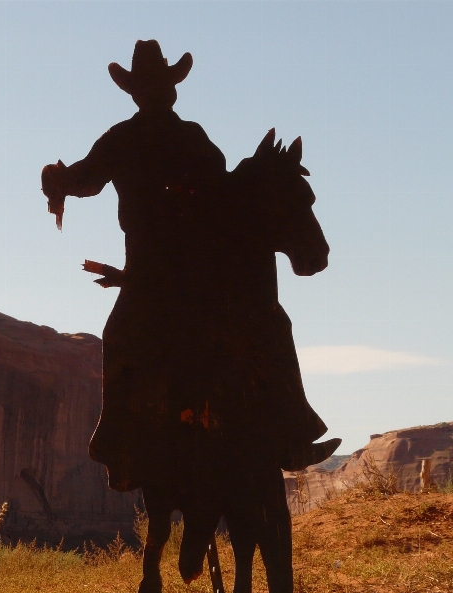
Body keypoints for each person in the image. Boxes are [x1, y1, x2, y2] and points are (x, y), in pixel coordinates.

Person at [41, 40, 337, 495]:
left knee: (127, 337)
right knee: (265, 324)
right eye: (154, 87)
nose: (160, 95)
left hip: (172, 268)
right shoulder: (156, 137)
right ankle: (290, 433)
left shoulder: (152, 137)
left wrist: (57, 181)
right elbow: (89, 179)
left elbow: (89, 179)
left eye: (162, 86)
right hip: (176, 268)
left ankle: (119, 447)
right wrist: (61, 181)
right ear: (145, 92)